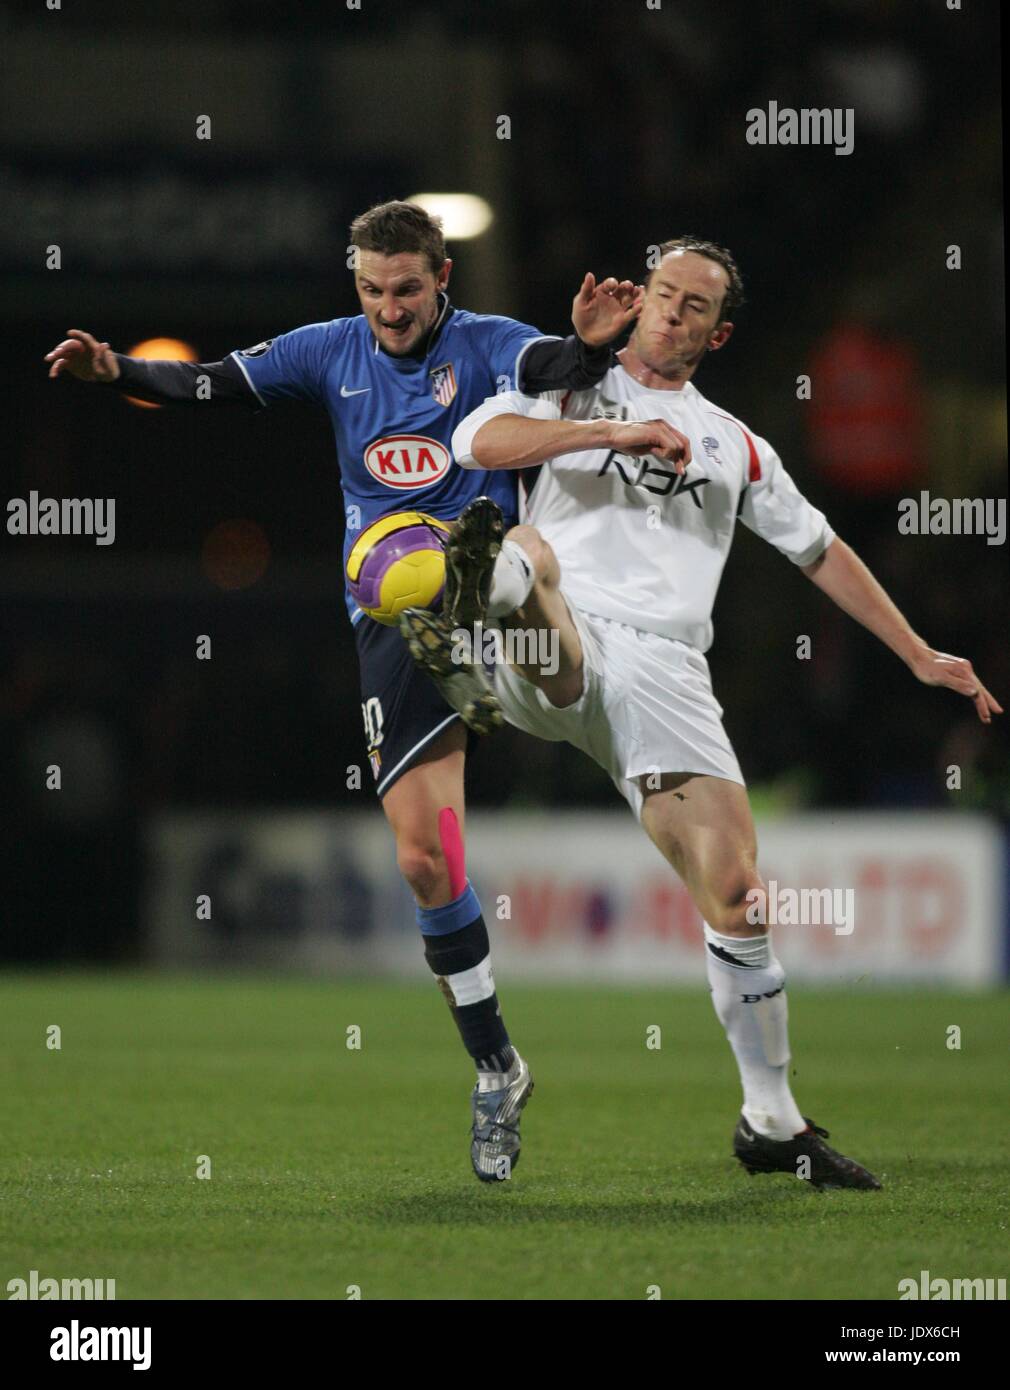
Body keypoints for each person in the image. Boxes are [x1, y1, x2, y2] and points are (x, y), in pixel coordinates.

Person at [44, 199, 645, 1183]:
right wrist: (118, 373)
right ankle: (496, 1064)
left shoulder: (488, 346)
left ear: (439, 277)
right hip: (392, 623)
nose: (390, 308)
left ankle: (514, 614)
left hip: (489, 580)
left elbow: (550, 369)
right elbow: (212, 383)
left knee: (514, 560)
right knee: (423, 857)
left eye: (407, 288)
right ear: (354, 283)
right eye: (372, 289)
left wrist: (582, 352)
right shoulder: (329, 351)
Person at [404, 236, 1002, 1189]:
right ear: (638, 299)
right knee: (528, 550)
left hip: (667, 671)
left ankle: (771, 1122)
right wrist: (610, 430)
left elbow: (821, 551)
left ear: (717, 334)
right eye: (662, 294)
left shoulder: (737, 444)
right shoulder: (571, 381)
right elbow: (474, 443)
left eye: (693, 307)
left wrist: (920, 653)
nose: (670, 314)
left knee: (740, 895)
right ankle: (480, 609)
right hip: (561, 636)